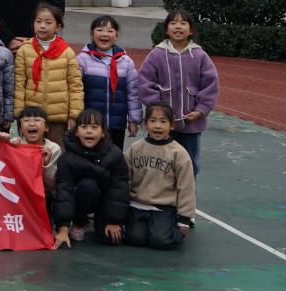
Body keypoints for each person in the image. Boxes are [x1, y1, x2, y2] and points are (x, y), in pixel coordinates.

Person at [137, 8, 219, 175]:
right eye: (173, 23)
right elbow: (145, 82)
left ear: (191, 30)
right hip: (163, 125)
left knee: (189, 164)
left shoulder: (199, 55)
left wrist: (200, 110)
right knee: (160, 163)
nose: (178, 26)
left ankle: (187, 192)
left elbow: (210, 85)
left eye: (183, 23)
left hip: (191, 124)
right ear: (166, 30)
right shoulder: (157, 55)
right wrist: (158, 110)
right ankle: (160, 191)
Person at [52, 109, 130, 248]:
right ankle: (79, 222)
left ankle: (101, 220)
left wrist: (114, 220)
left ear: (103, 132)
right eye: (84, 127)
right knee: (88, 186)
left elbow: (118, 188)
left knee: (109, 239)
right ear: (76, 132)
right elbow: (64, 191)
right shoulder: (67, 158)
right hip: (80, 199)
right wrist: (63, 228)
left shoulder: (115, 154)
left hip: (105, 201)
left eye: (94, 127)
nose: (89, 131)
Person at [124, 102, 196, 249]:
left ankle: (171, 226)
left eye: (163, 122)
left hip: (164, 207)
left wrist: (185, 218)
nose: (157, 126)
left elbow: (186, 187)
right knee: (135, 239)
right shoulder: (135, 148)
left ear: (171, 125)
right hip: (138, 205)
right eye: (153, 121)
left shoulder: (178, 153)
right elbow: (125, 179)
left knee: (160, 241)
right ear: (145, 124)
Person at [14, 3, 82, 145]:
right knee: (30, 153)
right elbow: (19, 84)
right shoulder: (24, 50)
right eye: (38, 21)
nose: (42, 26)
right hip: (32, 117)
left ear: (57, 27)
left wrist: (74, 115)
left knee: (56, 152)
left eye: (48, 22)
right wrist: (19, 113)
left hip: (57, 118)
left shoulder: (67, 52)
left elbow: (75, 86)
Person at [78, 15, 141, 149]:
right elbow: (75, 91)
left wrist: (134, 120)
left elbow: (133, 93)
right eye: (100, 30)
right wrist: (75, 118)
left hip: (116, 124)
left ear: (116, 36)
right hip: (90, 124)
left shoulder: (126, 61)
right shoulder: (82, 60)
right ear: (92, 34)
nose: (105, 34)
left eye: (110, 31)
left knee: (114, 156)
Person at [10, 105, 61, 196]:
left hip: (44, 195)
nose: (32, 124)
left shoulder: (53, 148)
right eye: (26, 120)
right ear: (20, 128)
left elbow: (52, 186)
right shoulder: (15, 145)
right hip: (19, 195)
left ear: (46, 127)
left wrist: (46, 165)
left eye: (37, 120)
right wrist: (11, 148)